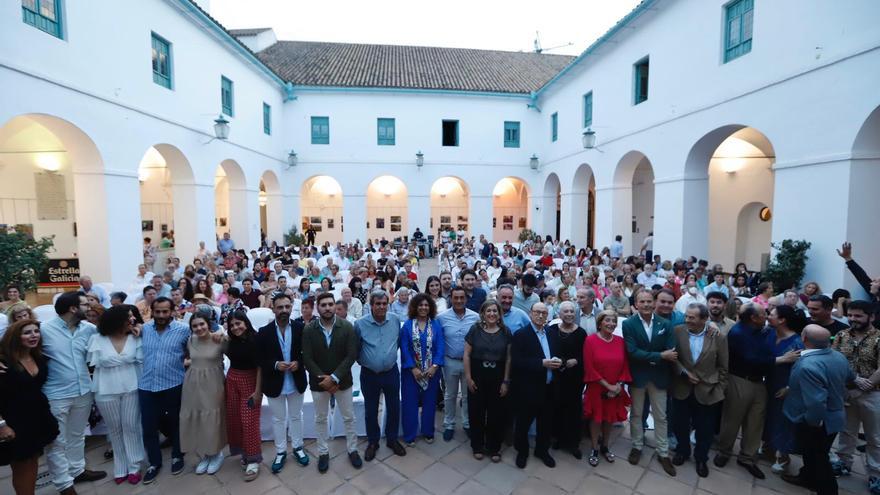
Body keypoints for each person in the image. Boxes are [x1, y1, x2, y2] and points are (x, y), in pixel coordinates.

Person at [714, 303, 798, 479]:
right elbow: (751, 359)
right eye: (763, 314)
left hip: (759, 383)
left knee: (755, 422)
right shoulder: (738, 333)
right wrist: (780, 359)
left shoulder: (763, 331)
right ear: (753, 318)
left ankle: (747, 458)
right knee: (732, 419)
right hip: (739, 380)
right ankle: (724, 452)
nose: (767, 316)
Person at [40, 292, 107, 492]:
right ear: (73, 308)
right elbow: (15, 346)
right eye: (85, 304)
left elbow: (108, 341)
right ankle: (64, 484)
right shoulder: (44, 330)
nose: (90, 308)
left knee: (77, 435)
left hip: (83, 391)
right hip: (55, 395)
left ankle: (77, 471)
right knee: (56, 442)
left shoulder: (89, 329)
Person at [782, 325, 854, 495]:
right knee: (811, 454)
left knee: (819, 459)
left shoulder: (809, 365)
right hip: (834, 416)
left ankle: (827, 490)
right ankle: (806, 478)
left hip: (818, 422)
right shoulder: (838, 356)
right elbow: (850, 377)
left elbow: (815, 403)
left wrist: (811, 423)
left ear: (804, 338)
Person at [302, 293, 362, 473]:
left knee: (349, 417)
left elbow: (351, 355)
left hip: (343, 381)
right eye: (323, 305)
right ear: (317, 308)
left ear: (335, 306)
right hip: (319, 383)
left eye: (330, 304)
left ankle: (352, 450)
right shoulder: (309, 329)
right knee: (320, 419)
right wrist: (324, 380)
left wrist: (334, 378)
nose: (327, 308)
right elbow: (307, 358)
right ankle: (323, 452)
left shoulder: (347, 327)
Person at [0, 320, 60, 495]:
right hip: (14, 420)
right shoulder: (4, 362)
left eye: (36, 331)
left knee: (32, 460)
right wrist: (2, 425)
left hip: (37, 416)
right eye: (27, 332)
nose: (33, 335)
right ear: (15, 336)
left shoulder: (37, 356)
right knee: (22, 465)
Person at [622, 289, 677, 476]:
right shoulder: (629, 324)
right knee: (637, 414)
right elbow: (632, 352)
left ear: (654, 303)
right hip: (638, 376)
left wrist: (657, 356)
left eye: (648, 301)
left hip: (659, 377)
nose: (646, 305)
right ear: (636, 304)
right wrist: (660, 355)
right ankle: (637, 446)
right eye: (642, 302)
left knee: (661, 417)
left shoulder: (665, 324)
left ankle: (663, 452)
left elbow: (672, 350)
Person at [669, 303, 728, 478]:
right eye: (686, 316)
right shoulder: (678, 331)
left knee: (705, 428)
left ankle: (701, 458)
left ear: (704, 319)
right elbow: (673, 357)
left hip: (707, 390)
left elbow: (724, 367)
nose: (687, 320)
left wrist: (720, 389)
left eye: (692, 317)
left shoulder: (718, 337)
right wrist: (684, 372)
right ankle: (683, 451)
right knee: (680, 423)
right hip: (682, 387)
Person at [89, 306, 145, 485]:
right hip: (106, 388)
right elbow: (91, 365)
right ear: (117, 319)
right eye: (128, 318)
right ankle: (120, 467)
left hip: (132, 386)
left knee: (131, 426)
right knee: (114, 429)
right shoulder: (97, 339)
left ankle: (135, 465)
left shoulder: (135, 337)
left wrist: (141, 332)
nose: (132, 320)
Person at [257, 293, 310, 474]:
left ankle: (298, 447)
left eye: (287, 307)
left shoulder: (300, 328)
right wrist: (275, 364)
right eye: (280, 307)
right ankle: (280, 451)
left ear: (291, 307)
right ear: (273, 308)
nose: (284, 311)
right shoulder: (264, 332)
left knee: (296, 416)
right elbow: (260, 359)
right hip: (274, 383)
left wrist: (299, 363)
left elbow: (308, 354)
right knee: (278, 419)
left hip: (296, 380)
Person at [138, 297, 189, 484]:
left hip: (173, 384)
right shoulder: (144, 330)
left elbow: (196, 346)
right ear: (152, 310)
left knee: (175, 423)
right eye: (157, 311)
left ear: (172, 311)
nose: (161, 315)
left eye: (165, 311)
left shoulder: (183, 330)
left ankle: (177, 455)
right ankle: (154, 463)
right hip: (147, 386)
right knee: (149, 427)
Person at [831, 300, 880, 492]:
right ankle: (843, 463)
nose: (853, 319)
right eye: (850, 315)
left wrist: (866, 385)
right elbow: (834, 359)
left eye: (858, 316)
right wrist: (854, 381)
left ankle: (875, 474)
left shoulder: (878, 338)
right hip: (847, 391)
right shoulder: (842, 335)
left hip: (873, 393)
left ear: (871, 317)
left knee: (874, 437)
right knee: (847, 431)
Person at [354, 290, 407, 461]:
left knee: (393, 407)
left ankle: (392, 439)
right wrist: (368, 361)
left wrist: (386, 358)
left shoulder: (395, 320)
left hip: (391, 372)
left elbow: (398, 343)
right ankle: (373, 442)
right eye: (378, 304)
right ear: (371, 305)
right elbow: (355, 348)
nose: (381, 307)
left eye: (384, 303)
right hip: (369, 375)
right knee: (370, 409)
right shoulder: (360, 324)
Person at [511, 302, 558, 469]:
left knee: (545, 423)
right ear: (530, 314)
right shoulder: (521, 335)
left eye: (544, 313)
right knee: (523, 423)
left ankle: (542, 451)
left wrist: (560, 361)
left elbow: (556, 354)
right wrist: (541, 363)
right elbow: (516, 362)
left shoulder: (552, 333)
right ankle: (522, 451)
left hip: (548, 387)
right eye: (537, 312)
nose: (540, 316)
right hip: (528, 388)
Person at [463, 300, 512, 462]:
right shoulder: (475, 330)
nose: (492, 314)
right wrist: (468, 377)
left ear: (499, 314)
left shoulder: (506, 332)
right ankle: (477, 445)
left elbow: (509, 358)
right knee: (476, 412)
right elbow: (467, 355)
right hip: (477, 374)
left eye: (495, 311)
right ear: (483, 313)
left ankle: (494, 447)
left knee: (496, 413)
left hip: (497, 376)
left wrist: (506, 381)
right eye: (488, 311)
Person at [179, 313, 227, 475]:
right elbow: (190, 359)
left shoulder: (219, 339)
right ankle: (204, 454)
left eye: (202, 324)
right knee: (197, 418)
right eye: (195, 326)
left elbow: (235, 351)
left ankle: (216, 453)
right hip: (192, 383)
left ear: (208, 324)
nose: (199, 328)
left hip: (213, 383)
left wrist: (223, 334)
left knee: (212, 418)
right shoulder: (191, 340)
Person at [582, 310, 631, 467]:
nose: (611, 324)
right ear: (600, 322)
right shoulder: (590, 341)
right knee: (596, 418)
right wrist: (607, 385)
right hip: (597, 387)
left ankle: (605, 446)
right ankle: (595, 448)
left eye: (613, 321)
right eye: (607, 320)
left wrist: (618, 386)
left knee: (609, 418)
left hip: (615, 389)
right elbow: (589, 367)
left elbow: (625, 365)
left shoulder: (620, 341)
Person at [764, 305, 805, 475]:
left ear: (782, 320)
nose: (768, 316)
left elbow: (802, 370)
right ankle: (767, 447)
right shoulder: (768, 333)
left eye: (771, 314)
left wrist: (789, 388)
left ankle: (783, 456)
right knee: (766, 416)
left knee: (783, 421)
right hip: (766, 382)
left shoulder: (797, 343)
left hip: (784, 386)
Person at [400, 293, 445, 445]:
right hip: (411, 372)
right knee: (409, 404)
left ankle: (428, 432)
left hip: (431, 372)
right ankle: (410, 435)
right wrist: (413, 368)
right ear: (415, 307)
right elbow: (404, 348)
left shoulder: (436, 325)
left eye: (426, 305)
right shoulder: (407, 325)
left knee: (430, 403)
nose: (423, 307)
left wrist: (434, 366)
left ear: (430, 307)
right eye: (420, 305)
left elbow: (440, 347)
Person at [224, 310, 263, 481]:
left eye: (238, 323)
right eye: (232, 325)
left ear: (246, 322)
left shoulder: (255, 340)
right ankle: (244, 454)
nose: (235, 327)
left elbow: (261, 368)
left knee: (249, 422)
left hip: (249, 382)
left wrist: (258, 391)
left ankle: (254, 460)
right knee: (236, 420)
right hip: (232, 380)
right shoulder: (230, 341)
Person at [437, 287, 479, 441]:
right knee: (450, 394)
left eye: (462, 298)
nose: (459, 301)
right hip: (450, 361)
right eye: (456, 298)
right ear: (451, 299)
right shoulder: (442, 318)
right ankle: (449, 424)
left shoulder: (475, 317)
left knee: (468, 395)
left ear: (466, 299)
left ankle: (467, 423)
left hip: (469, 362)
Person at [546, 301, 586, 459]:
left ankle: (573, 443)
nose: (569, 314)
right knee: (556, 406)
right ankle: (558, 438)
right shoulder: (552, 330)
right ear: (559, 314)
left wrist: (576, 361)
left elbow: (585, 355)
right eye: (566, 311)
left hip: (574, 377)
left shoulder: (581, 333)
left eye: (571, 311)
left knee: (573, 409)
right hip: (557, 375)